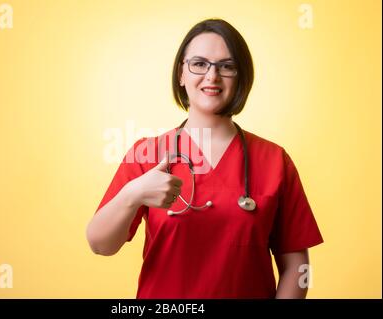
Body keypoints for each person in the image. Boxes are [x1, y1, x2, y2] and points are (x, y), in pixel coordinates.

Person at [86, 18, 323, 299]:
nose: (212, 76)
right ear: (181, 74)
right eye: (199, 64)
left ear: (242, 76)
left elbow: (296, 265)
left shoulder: (274, 161)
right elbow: (101, 244)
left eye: (227, 66)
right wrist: (133, 194)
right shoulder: (147, 154)